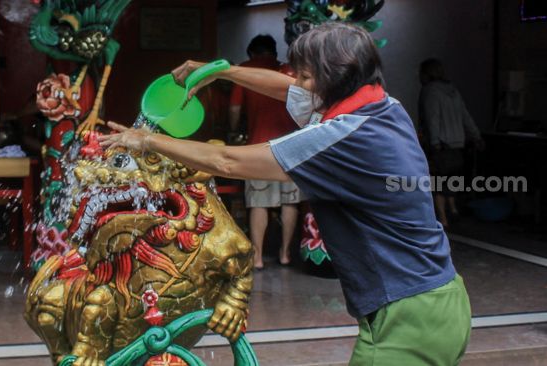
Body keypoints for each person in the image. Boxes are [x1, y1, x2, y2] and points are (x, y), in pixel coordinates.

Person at [100, 23, 471, 365]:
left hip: (406, 319)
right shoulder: (385, 107)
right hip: (444, 298)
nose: (298, 83)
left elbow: (226, 161)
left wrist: (146, 139)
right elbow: (289, 90)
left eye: (306, 76)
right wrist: (221, 71)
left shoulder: (340, 137)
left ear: (333, 80)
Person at [229, 34, 301, 269]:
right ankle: (285, 254)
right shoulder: (289, 71)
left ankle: (258, 258)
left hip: (259, 145)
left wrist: (233, 129)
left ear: (252, 52)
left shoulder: (244, 71)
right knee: (290, 202)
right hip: (292, 146)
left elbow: (234, 109)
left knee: (259, 201)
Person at [419, 58, 484, 228]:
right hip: (457, 144)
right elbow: (465, 115)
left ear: (426, 73)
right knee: (451, 179)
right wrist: (476, 136)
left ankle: (443, 219)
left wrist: (433, 142)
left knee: (438, 183)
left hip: (441, 144)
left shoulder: (430, 91)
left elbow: (432, 117)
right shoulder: (453, 91)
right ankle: (453, 210)